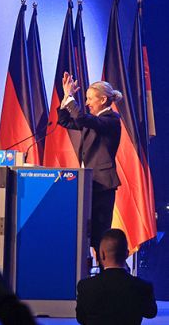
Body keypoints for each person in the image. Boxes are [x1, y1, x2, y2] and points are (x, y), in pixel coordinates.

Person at [57, 72, 122, 257]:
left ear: (103, 99)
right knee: (84, 234)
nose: (86, 103)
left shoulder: (111, 120)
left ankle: (107, 275)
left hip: (102, 185)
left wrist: (71, 97)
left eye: (89, 99)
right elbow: (64, 121)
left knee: (100, 237)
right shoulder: (94, 121)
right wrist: (65, 97)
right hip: (87, 184)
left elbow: (84, 119)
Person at [75, 229, 157, 325]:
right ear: (127, 254)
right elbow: (151, 313)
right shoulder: (143, 287)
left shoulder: (85, 287)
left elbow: (81, 318)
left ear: (102, 254)